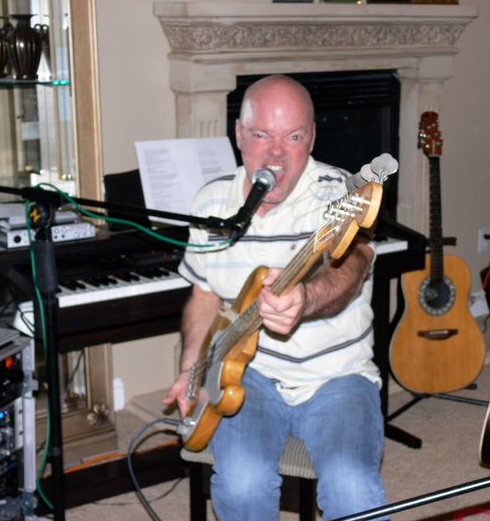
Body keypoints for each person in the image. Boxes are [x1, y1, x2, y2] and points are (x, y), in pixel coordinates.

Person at [163, 74, 388, 521]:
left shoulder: (339, 193)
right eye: (262, 135)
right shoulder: (212, 201)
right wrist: (191, 368)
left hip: (338, 378)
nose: (277, 154)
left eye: (294, 136)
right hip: (251, 378)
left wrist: (306, 297)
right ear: (240, 136)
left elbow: (353, 266)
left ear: (312, 139)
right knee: (241, 484)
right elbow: (204, 294)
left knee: (353, 487)